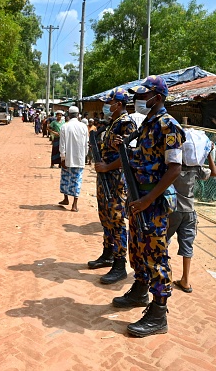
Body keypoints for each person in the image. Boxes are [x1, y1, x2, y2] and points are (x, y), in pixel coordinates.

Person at [112, 75, 185, 338]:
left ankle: (158, 314)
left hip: (152, 202)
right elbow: (144, 158)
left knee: (156, 255)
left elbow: (174, 168)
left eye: (144, 95)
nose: (139, 99)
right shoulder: (146, 125)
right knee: (138, 249)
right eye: (139, 95)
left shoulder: (168, 126)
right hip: (138, 199)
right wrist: (126, 150)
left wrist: (147, 199)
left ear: (158, 97)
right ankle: (141, 290)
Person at [89, 88, 137, 286]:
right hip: (105, 178)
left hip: (116, 179)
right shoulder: (111, 124)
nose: (107, 106)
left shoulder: (126, 124)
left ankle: (119, 264)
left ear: (119, 104)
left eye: (109, 102)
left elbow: (130, 155)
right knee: (105, 217)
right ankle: (108, 253)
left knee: (116, 220)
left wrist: (107, 166)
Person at [167, 141, 216, 293]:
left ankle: (166, 273)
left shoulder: (172, 166)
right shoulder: (196, 168)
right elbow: (214, 173)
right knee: (187, 246)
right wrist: (208, 154)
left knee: (163, 240)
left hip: (172, 209)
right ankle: (186, 280)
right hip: (189, 212)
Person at [58, 106, 88, 212]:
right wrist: (85, 155)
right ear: (78, 114)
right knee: (77, 180)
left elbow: (62, 145)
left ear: (69, 115)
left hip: (67, 158)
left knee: (66, 179)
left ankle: (66, 199)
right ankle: (74, 204)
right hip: (79, 158)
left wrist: (62, 157)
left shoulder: (64, 127)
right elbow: (86, 143)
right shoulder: (84, 126)